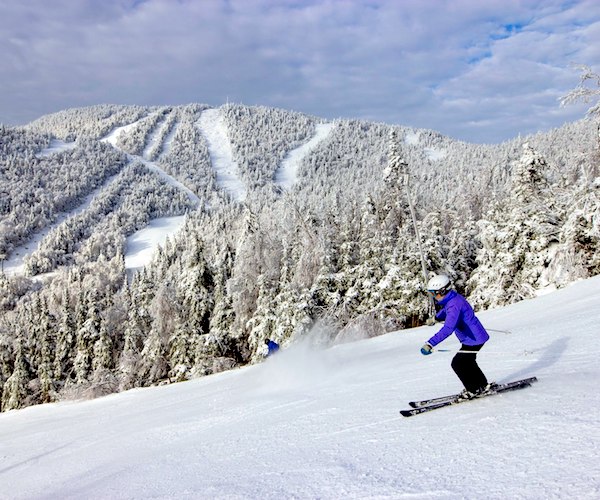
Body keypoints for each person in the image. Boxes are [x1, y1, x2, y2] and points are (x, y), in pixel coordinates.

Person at [420, 274, 493, 399]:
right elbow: (446, 310)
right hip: (472, 337)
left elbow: (448, 329)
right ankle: (482, 385)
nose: (433, 296)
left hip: (473, 339)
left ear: (442, 291)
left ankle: (473, 390)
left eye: (434, 293)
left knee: (458, 363)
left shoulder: (454, 304)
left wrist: (430, 343)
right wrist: (436, 318)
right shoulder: (452, 299)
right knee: (468, 361)